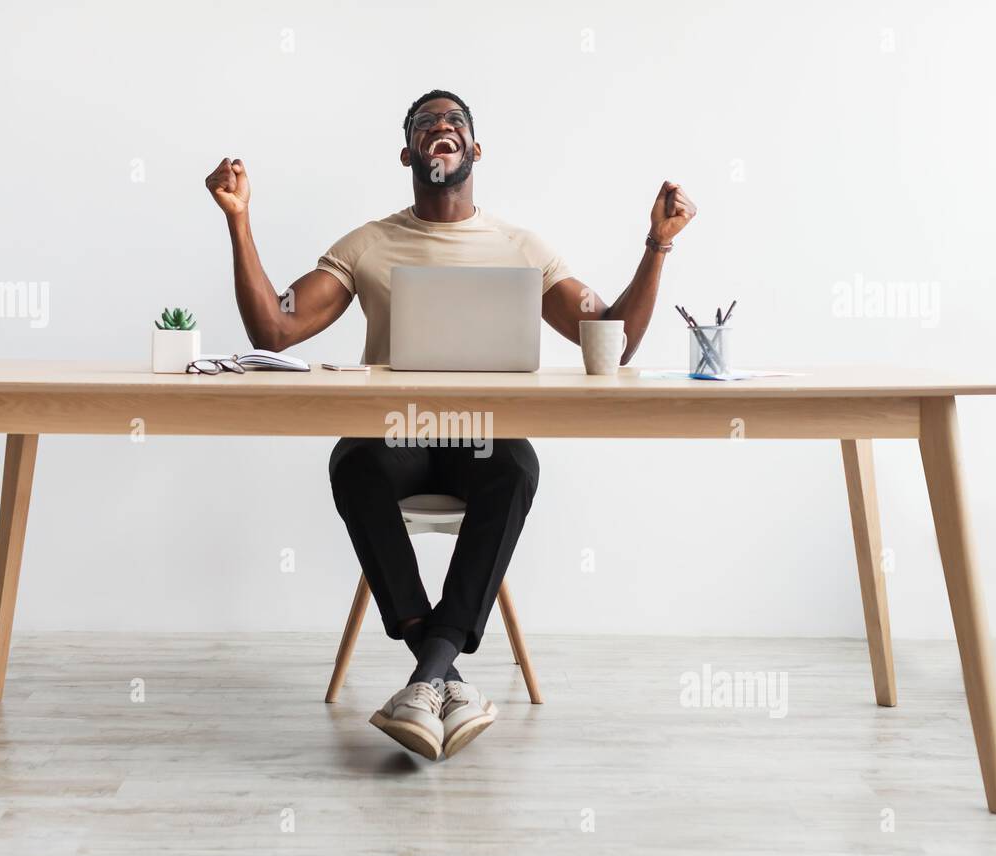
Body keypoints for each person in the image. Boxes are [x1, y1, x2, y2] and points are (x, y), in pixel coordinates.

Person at [205, 89, 696, 760]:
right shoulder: (368, 243)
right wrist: (240, 221)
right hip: (394, 437)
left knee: (518, 466)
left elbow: (611, 341)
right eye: (427, 123)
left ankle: (425, 677)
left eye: (456, 122)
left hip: (482, 439)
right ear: (408, 153)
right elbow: (275, 327)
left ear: (474, 150)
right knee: (352, 464)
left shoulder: (523, 246)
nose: (443, 127)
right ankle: (444, 677)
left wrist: (656, 245)